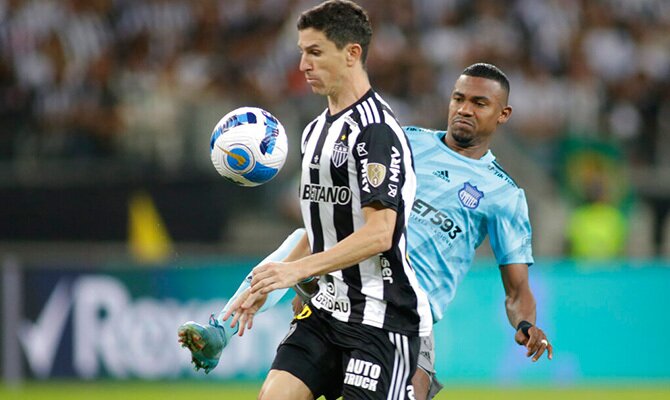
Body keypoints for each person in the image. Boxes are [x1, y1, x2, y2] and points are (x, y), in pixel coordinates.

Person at [180, 62, 553, 399]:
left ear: (503, 114)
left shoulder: (504, 194)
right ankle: (222, 330)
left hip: (404, 318)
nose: (464, 109)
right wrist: (313, 270)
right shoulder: (403, 141)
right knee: (302, 237)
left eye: (479, 103)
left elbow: (517, 290)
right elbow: (340, 213)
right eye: (458, 98)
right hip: (343, 293)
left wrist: (525, 323)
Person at [180, 1, 432, 399]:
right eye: (301, 52)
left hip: (381, 321)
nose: (303, 65)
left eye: (315, 52)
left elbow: (381, 233)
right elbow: (320, 233)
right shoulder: (314, 131)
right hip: (325, 313)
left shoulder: (376, 132)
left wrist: (296, 273)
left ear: (352, 53)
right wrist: (262, 286)